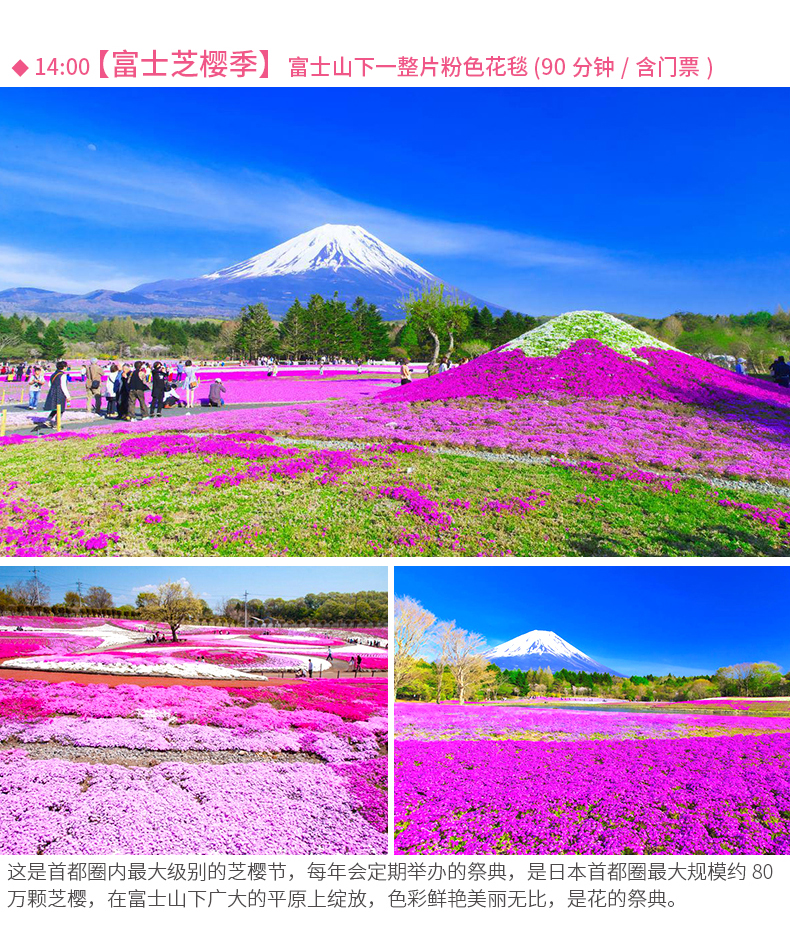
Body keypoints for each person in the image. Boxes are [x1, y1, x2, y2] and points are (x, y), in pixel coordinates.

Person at [42, 360, 70, 427]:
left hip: (53, 392)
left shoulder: (53, 374)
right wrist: (68, 396)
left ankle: (48, 420)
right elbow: (63, 386)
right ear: (64, 367)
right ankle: (56, 424)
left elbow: (49, 384)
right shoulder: (62, 375)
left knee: (55, 408)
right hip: (60, 393)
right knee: (60, 409)